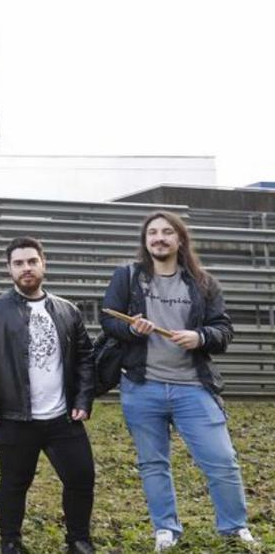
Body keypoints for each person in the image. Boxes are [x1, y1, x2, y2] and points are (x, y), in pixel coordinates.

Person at [100, 211, 256, 551]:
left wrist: (200, 337)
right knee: (153, 462)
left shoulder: (203, 282)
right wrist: (130, 328)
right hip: (142, 386)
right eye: (152, 232)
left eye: (167, 232)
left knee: (222, 460)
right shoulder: (127, 277)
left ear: (179, 239)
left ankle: (234, 527)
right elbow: (107, 320)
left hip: (193, 387)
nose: (159, 237)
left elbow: (224, 330)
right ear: (145, 241)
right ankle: (166, 529)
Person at [0, 237, 95, 554]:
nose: (26, 268)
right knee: (14, 482)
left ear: (43, 264)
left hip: (63, 417)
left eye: (32, 261)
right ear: (9, 269)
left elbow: (85, 358)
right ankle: (10, 542)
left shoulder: (67, 310)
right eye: (19, 263)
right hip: (14, 417)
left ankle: (78, 540)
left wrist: (82, 400)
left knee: (81, 478)